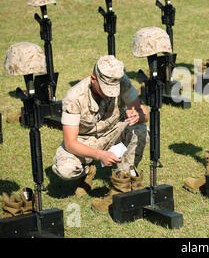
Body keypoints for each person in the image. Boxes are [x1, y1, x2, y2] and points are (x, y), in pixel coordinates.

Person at [51, 55, 149, 213]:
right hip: (84, 141)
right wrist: (99, 155)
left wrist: (139, 115)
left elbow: (143, 113)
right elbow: (70, 143)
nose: (109, 94)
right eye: (105, 89)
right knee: (66, 169)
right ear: (93, 79)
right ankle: (87, 171)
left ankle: (122, 182)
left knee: (141, 129)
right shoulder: (74, 97)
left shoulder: (121, 81)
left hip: (113, 133)